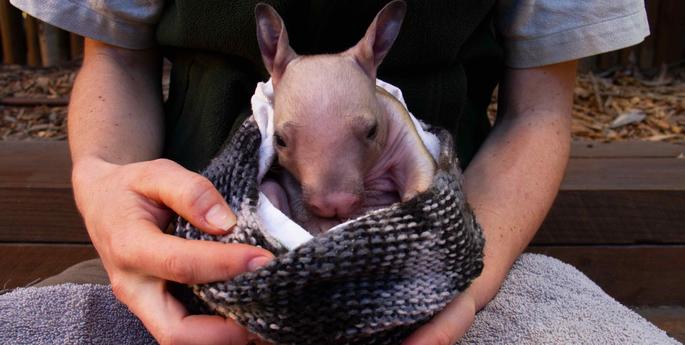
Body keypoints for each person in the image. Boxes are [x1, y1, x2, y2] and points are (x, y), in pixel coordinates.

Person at [10, 1, 649, 344]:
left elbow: (537, 111)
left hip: (468, 242)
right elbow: (116, 62)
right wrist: (103, 186)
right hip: (182, 243)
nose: (333, 202)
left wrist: (461, 272)